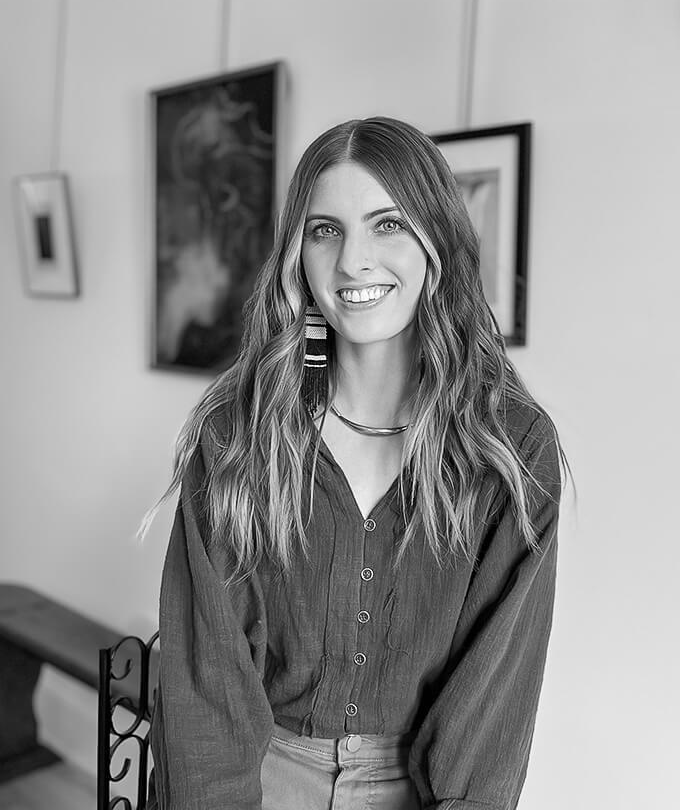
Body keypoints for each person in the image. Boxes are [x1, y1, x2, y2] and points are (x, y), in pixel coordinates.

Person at [145, 116, 566, 810]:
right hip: (255, 780)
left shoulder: (511, 449)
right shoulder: (240, 433)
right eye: (325, 229)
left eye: (388, 224)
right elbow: (205, 682)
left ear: (437, 239)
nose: (353, 261)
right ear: (297, 255)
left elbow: (497, 701)